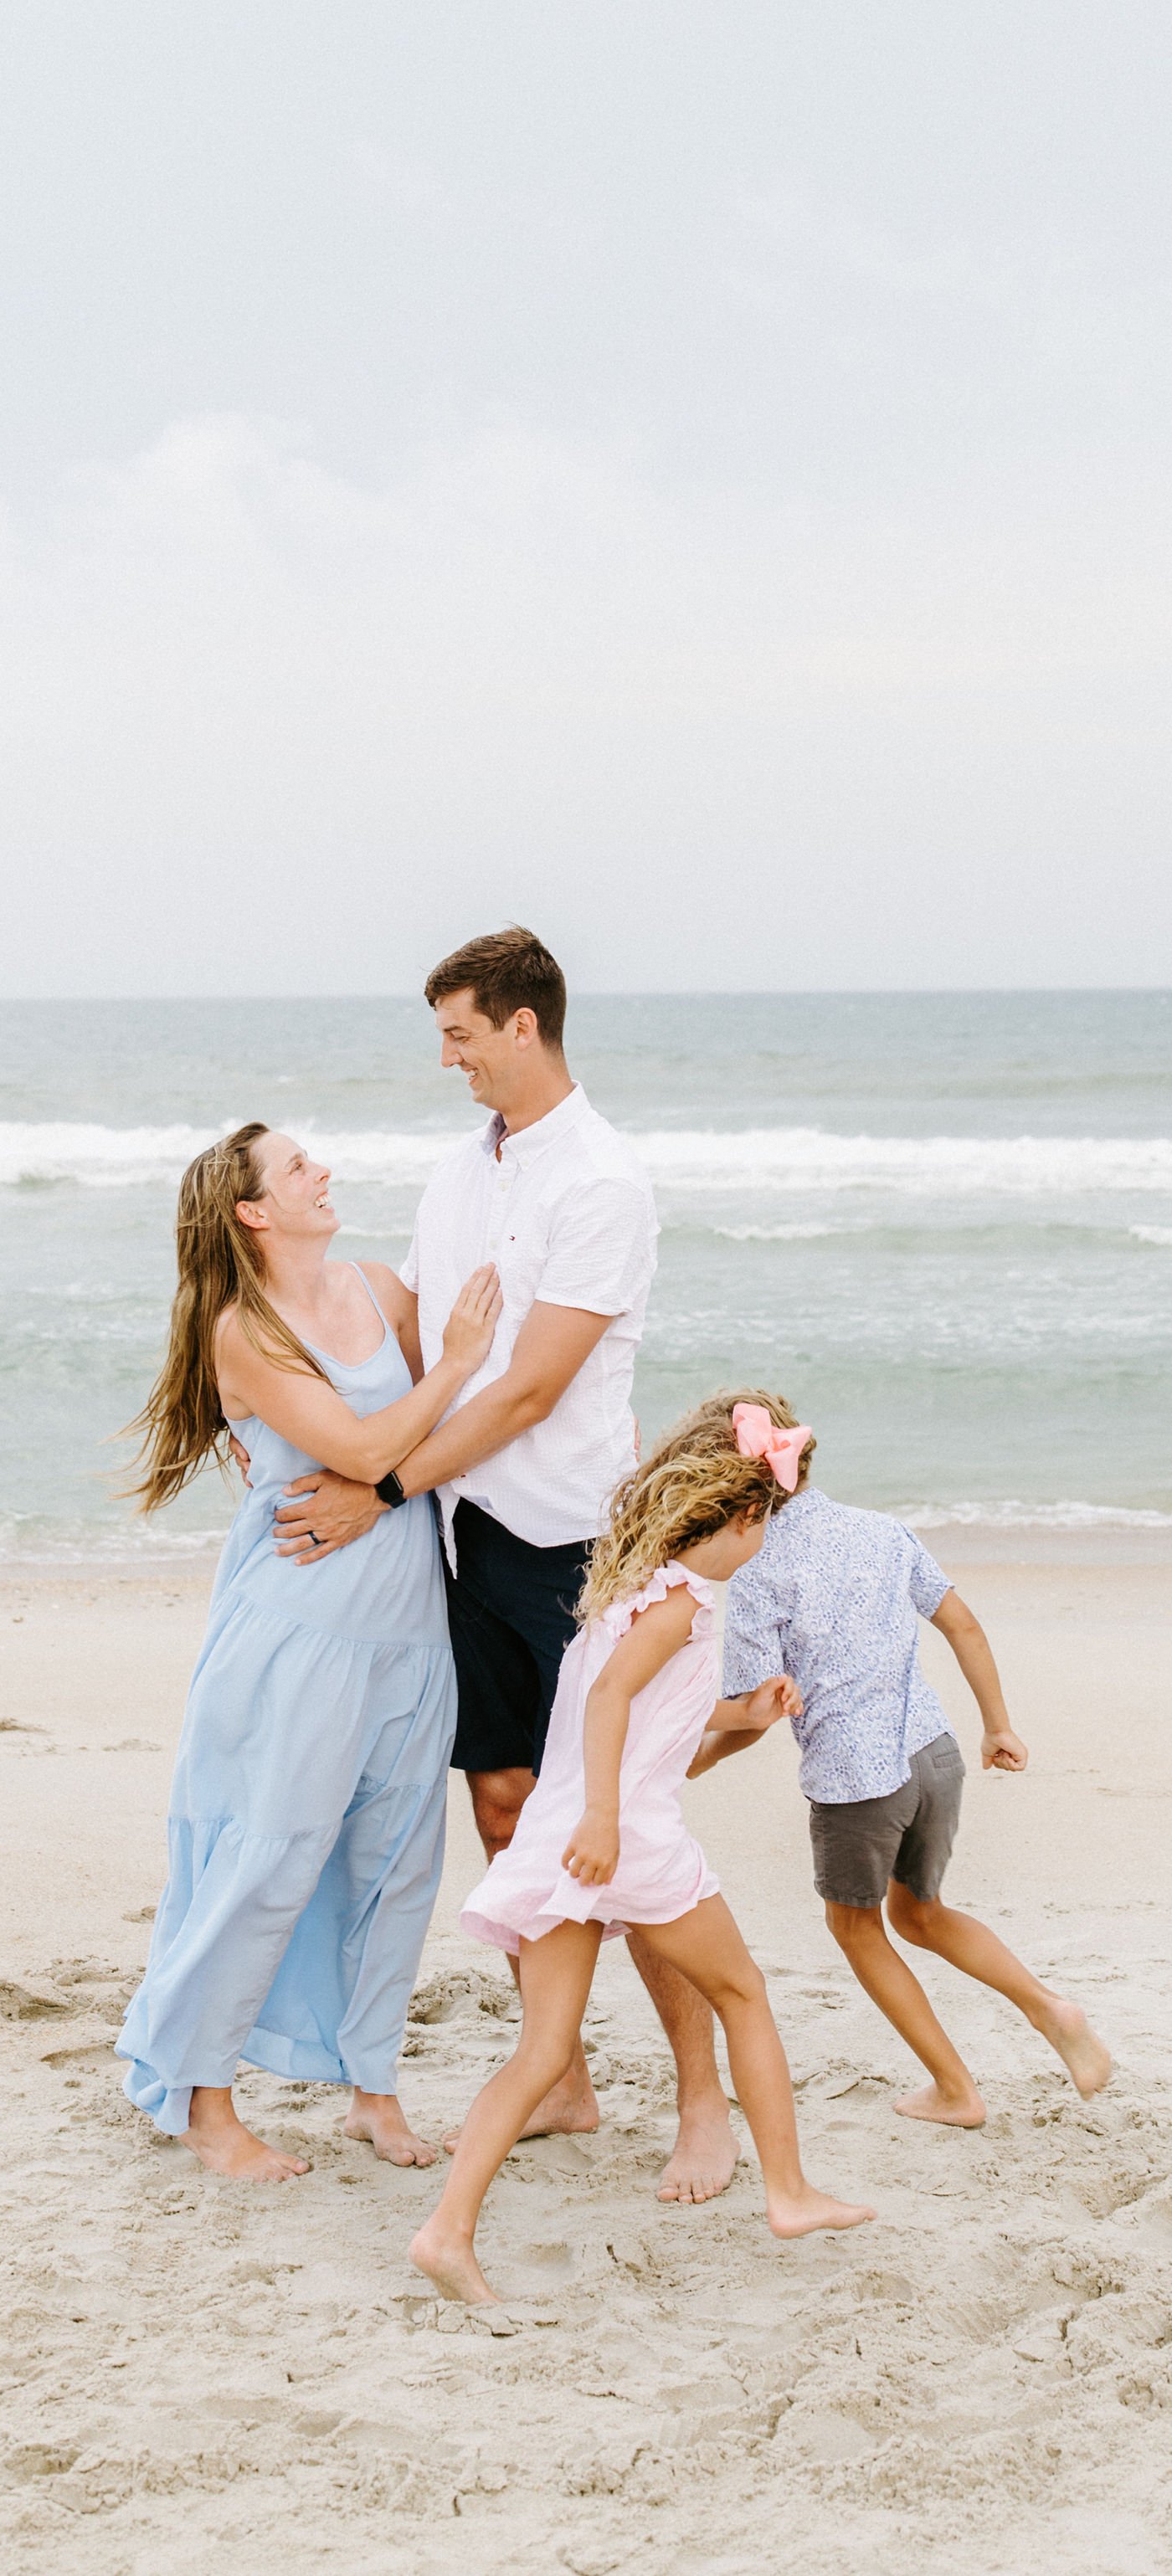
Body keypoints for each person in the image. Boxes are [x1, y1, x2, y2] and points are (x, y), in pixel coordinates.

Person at [270, 926, 741, 2204]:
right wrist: (278, 1313)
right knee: (502, 1808)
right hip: (468, 1543)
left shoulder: (603, 1183)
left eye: (462, 1034)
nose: (449, 1058)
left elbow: (530, 1386)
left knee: (625, 1834)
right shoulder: (451, 1173)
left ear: (523, 1025)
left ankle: (705, 2101)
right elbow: (425, 1334)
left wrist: (378, 1486)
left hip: (583, 1546)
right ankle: (568, 2076)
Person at [409, 1395, 874, 2304]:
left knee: (541, 2049)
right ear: (742, 1516)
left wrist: (743, 1713)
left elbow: (656, 1717)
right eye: (766, 1525)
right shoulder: (685, 1603)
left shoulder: (633, 1586)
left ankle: (445, 2231)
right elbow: (609, 1702)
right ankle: (788, 2193)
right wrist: (607, 1823)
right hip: (623, 1840)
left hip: (563, 1839)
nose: (763, 1544)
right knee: (742, 1994)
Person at [115, 1124, 503, 2180]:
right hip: (298, 1637)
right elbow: (375, 1444)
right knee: (270, 1860)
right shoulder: (245, 1332)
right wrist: (450, 1371)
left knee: (394, 1866)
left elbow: (429, 1442)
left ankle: (370, 2090)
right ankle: (206, 2104)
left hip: (410, 1631)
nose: (319, 1171)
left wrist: (404, 1456)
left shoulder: (378, 1288)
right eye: (294, 1168)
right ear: (252, 1210)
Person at [707, 1395, 1113, 2126]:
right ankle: (1053, 2011)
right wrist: (998, 1726)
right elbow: (962, 1623)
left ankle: (956, 2090)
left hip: (857, 1782)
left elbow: (757, 1713)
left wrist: (691, 1761)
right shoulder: (882, 1531)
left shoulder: (757, 1573)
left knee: (856, 1928)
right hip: (934, 1753)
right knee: (920, 1914)